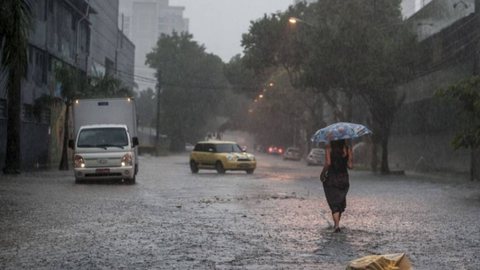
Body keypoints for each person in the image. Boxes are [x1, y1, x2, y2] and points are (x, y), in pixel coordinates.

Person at [321, 139, 353, 233]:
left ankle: (336, 226)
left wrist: (322, 174)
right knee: (339, 202)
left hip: (332, 178)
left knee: (334, 203)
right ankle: (337, 224)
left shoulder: (329, 148)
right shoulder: (347, 149)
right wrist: (350, 155)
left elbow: (328, 163)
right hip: (344, 179)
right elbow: (350, 166)